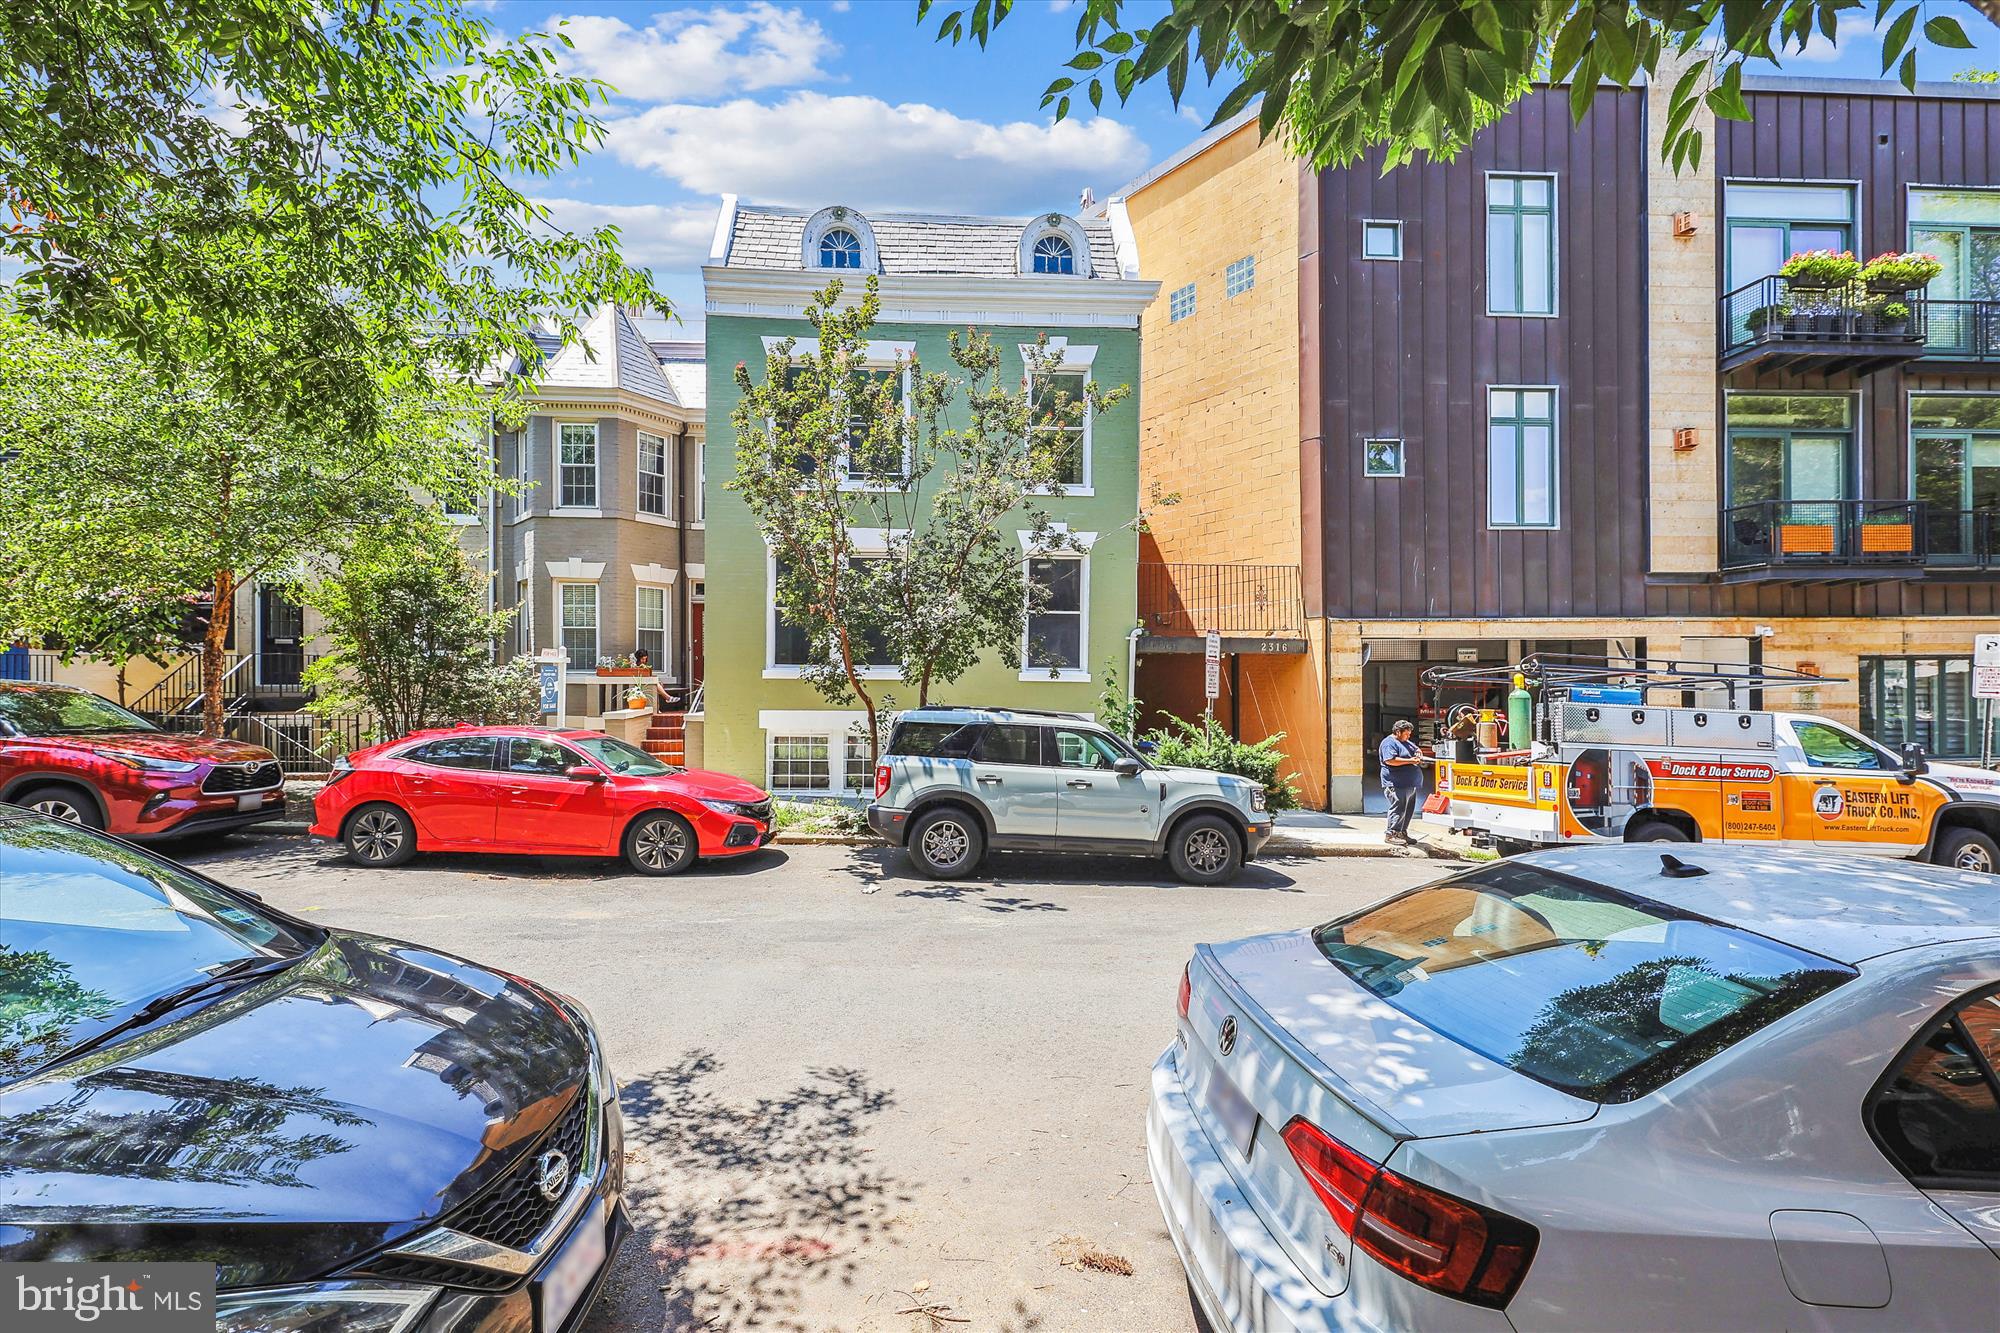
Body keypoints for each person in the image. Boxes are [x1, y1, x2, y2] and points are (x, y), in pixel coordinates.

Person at [1378, 719, 1430, 844]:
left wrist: (1418, 752)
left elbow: (1415, 748)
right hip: (1396, 783)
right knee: (1399, 808)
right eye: (1406, 733)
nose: (1408, 736)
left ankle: (1402, 832)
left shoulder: (1406, 742)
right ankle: (1391, 834)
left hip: (1409, 784)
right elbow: (1390, 760)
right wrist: (1411, 761)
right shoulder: (1389, 743)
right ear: (1397, 732)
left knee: (1407, 810)